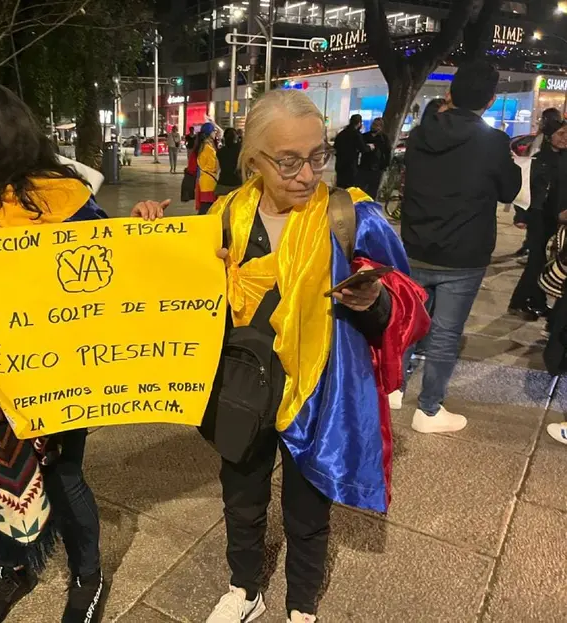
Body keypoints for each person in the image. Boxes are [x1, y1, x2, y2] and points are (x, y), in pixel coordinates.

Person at [0, 81, 166, 623]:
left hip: (57, 373)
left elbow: (108, 270)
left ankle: (87, 577)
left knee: (63, 477)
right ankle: (14, 567)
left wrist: (145, 232)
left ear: (3, 124)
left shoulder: (60, 195)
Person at [203, 89, 428, 623]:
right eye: (288, 161)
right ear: (253, 159)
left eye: (316, 156)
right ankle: (244, 588)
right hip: (241, 385)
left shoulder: (351, 216)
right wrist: (154, 233)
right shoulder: (226, 216)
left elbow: (411, 305)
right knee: (241, 499)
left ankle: (301, 605)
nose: (307, 174)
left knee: (308, 511)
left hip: (319, 395)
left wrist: (375, 301)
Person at [392, 60, 522, 431]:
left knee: (410, 324)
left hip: (416, 247)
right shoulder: (492, 141)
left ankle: (394, 389)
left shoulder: (419, 135)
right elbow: (509, 189)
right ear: (491, 100)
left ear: (450, 92)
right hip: (462, 254)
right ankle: (429, 410)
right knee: (445, 335)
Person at [508, 108, 565, 320]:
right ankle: (521, 302)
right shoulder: (541, 159)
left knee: (545, 262)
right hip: (540, 217)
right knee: (536, 262)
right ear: (550, 136)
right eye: (560, 134)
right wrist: (521, 216)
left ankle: (535, 301)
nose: (564, 138)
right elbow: (526, 189)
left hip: (556, 218)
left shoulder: (564, 158)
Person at [333, 113, 372, 188]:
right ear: (359, 123)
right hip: (351, 165)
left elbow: (335, 148)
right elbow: (363, 148)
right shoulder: (357, 134)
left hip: (340, 164)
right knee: (350, 187)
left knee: (340, 186)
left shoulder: (342, 133)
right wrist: (370, 147)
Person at [357, 117, 391, 199]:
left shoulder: (384, 139)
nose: (373, 126)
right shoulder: (364, 136)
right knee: (360, 190)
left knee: (372, 191)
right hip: (364, 167)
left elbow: (387, 152)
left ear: (380, 127)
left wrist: (385, 165)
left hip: (376, 169)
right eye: (373, 124)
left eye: (376, 125)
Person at [195, 122, 219, 214]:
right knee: (206, 208)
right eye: (214, 131)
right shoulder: (208, 148)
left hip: (204, 180)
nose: (215, 133)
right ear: (209, 133)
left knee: (205, 207)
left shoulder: (202, 146)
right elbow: (214, 167)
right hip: (209, 182)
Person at [216, 127, 242, 197]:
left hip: (222, 184)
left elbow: (217, 168)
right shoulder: (240, 149)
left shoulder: (220, 151)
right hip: (237, 184)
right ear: (235, 138)